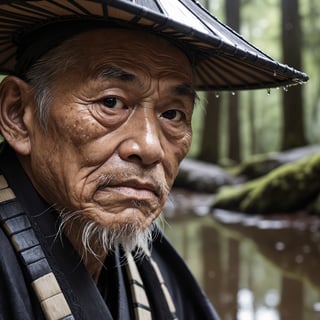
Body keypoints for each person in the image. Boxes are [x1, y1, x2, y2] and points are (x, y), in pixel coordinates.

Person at [0, 1, 307, 320]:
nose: (150, 147)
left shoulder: (155, 270)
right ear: (18, 115)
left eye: (172, 114)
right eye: (111, 102)